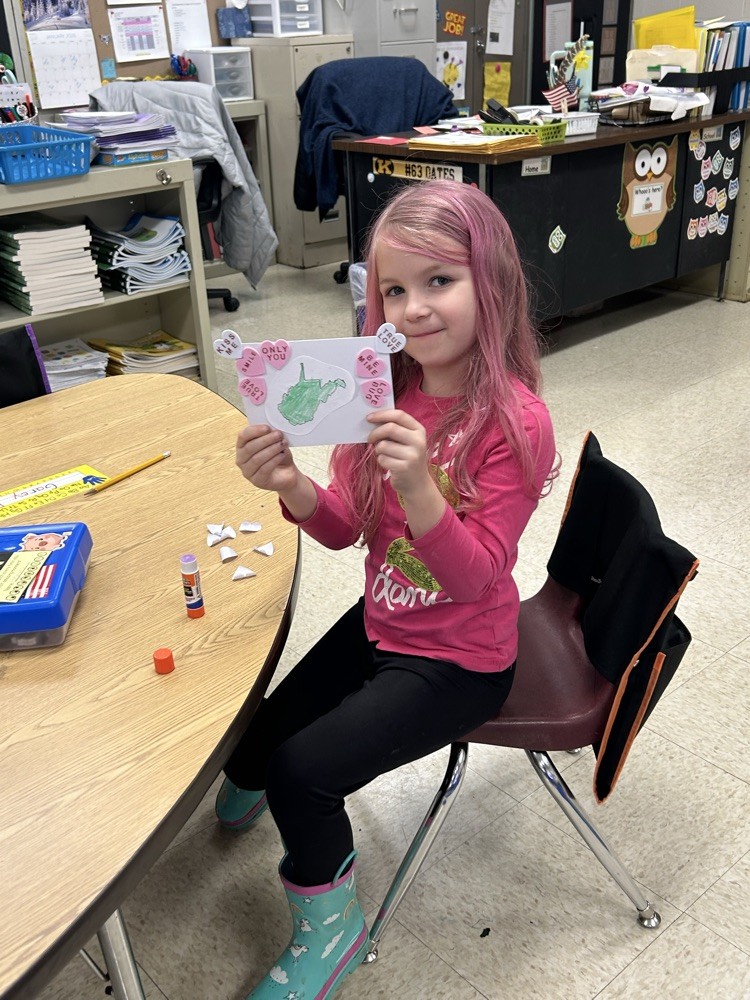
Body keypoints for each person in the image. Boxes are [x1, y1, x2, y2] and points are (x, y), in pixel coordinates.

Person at [217, 179, 558, 1000]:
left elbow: (478, 572)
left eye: (439, 282)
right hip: (385, 625)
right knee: (255, 740)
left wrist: (422, 492)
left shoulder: (514, 422)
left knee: (301, 773)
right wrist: (292, 484)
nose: (412, 310)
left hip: (463, 659)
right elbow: (342, 528)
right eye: (394, 290)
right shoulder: (378, 393)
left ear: (493, 281)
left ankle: (331, 931)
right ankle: (257, 773)